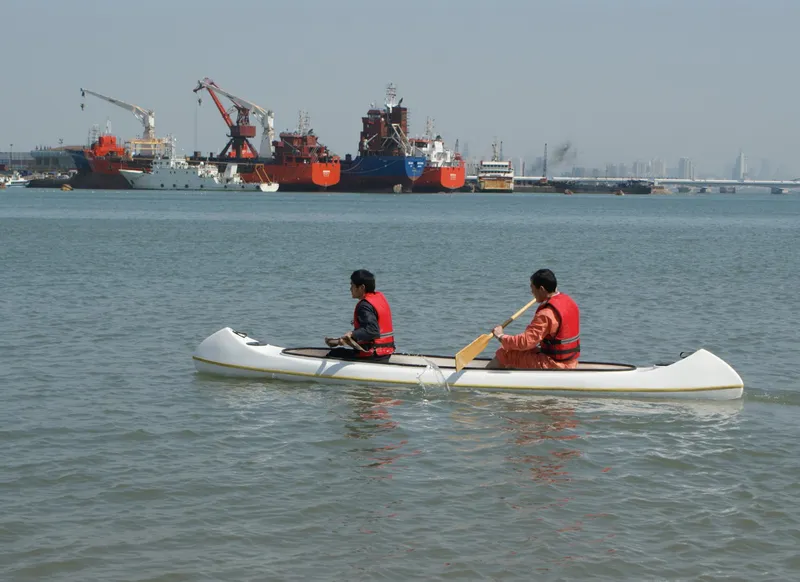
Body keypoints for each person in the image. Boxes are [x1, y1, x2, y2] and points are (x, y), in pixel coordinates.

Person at [487, 269, 580, 370]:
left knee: (505, 353)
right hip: (570, 361)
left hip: (555, 364)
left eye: (532, 288)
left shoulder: (546, 315)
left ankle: (483, 378)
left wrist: (500, 336)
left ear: (542, 289)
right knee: (514, 351)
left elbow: (525, 342)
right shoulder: (569, 301)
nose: (532, 292)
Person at [324, 269, 396, 362]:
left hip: (373, 355)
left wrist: (352, 334)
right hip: (385, 353)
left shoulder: (364, 306)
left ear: (362, 287)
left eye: (352, 285)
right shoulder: (378, 299)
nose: (350, 288)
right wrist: (347, 340)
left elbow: (372, 330)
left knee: (334, 354)